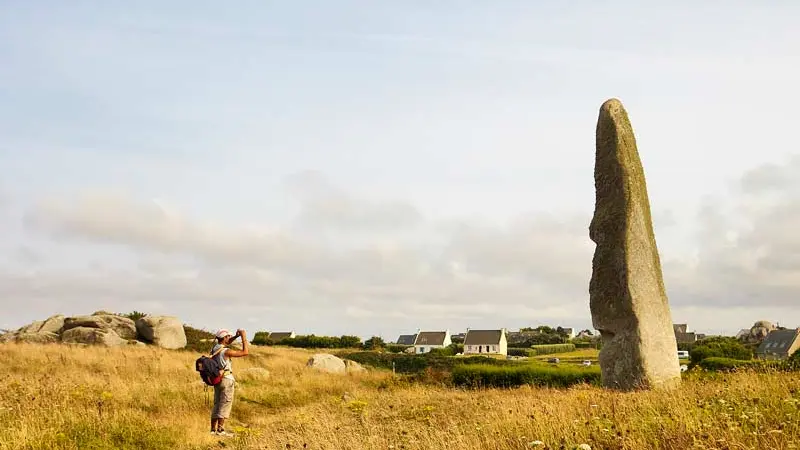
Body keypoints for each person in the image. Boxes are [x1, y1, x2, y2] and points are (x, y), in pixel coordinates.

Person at [210, 328, 249, 436]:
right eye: (228, 336)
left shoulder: (215, 348)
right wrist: (243, 336)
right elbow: (245, 352)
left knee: (217, 404)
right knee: (225, 403)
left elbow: (226, 342)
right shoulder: (226, 351)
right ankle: (221, 430)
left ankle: (213, 430)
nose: (229, 338)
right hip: (227, 380)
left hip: (217, 379)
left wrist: (236, 336)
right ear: (224, 338)